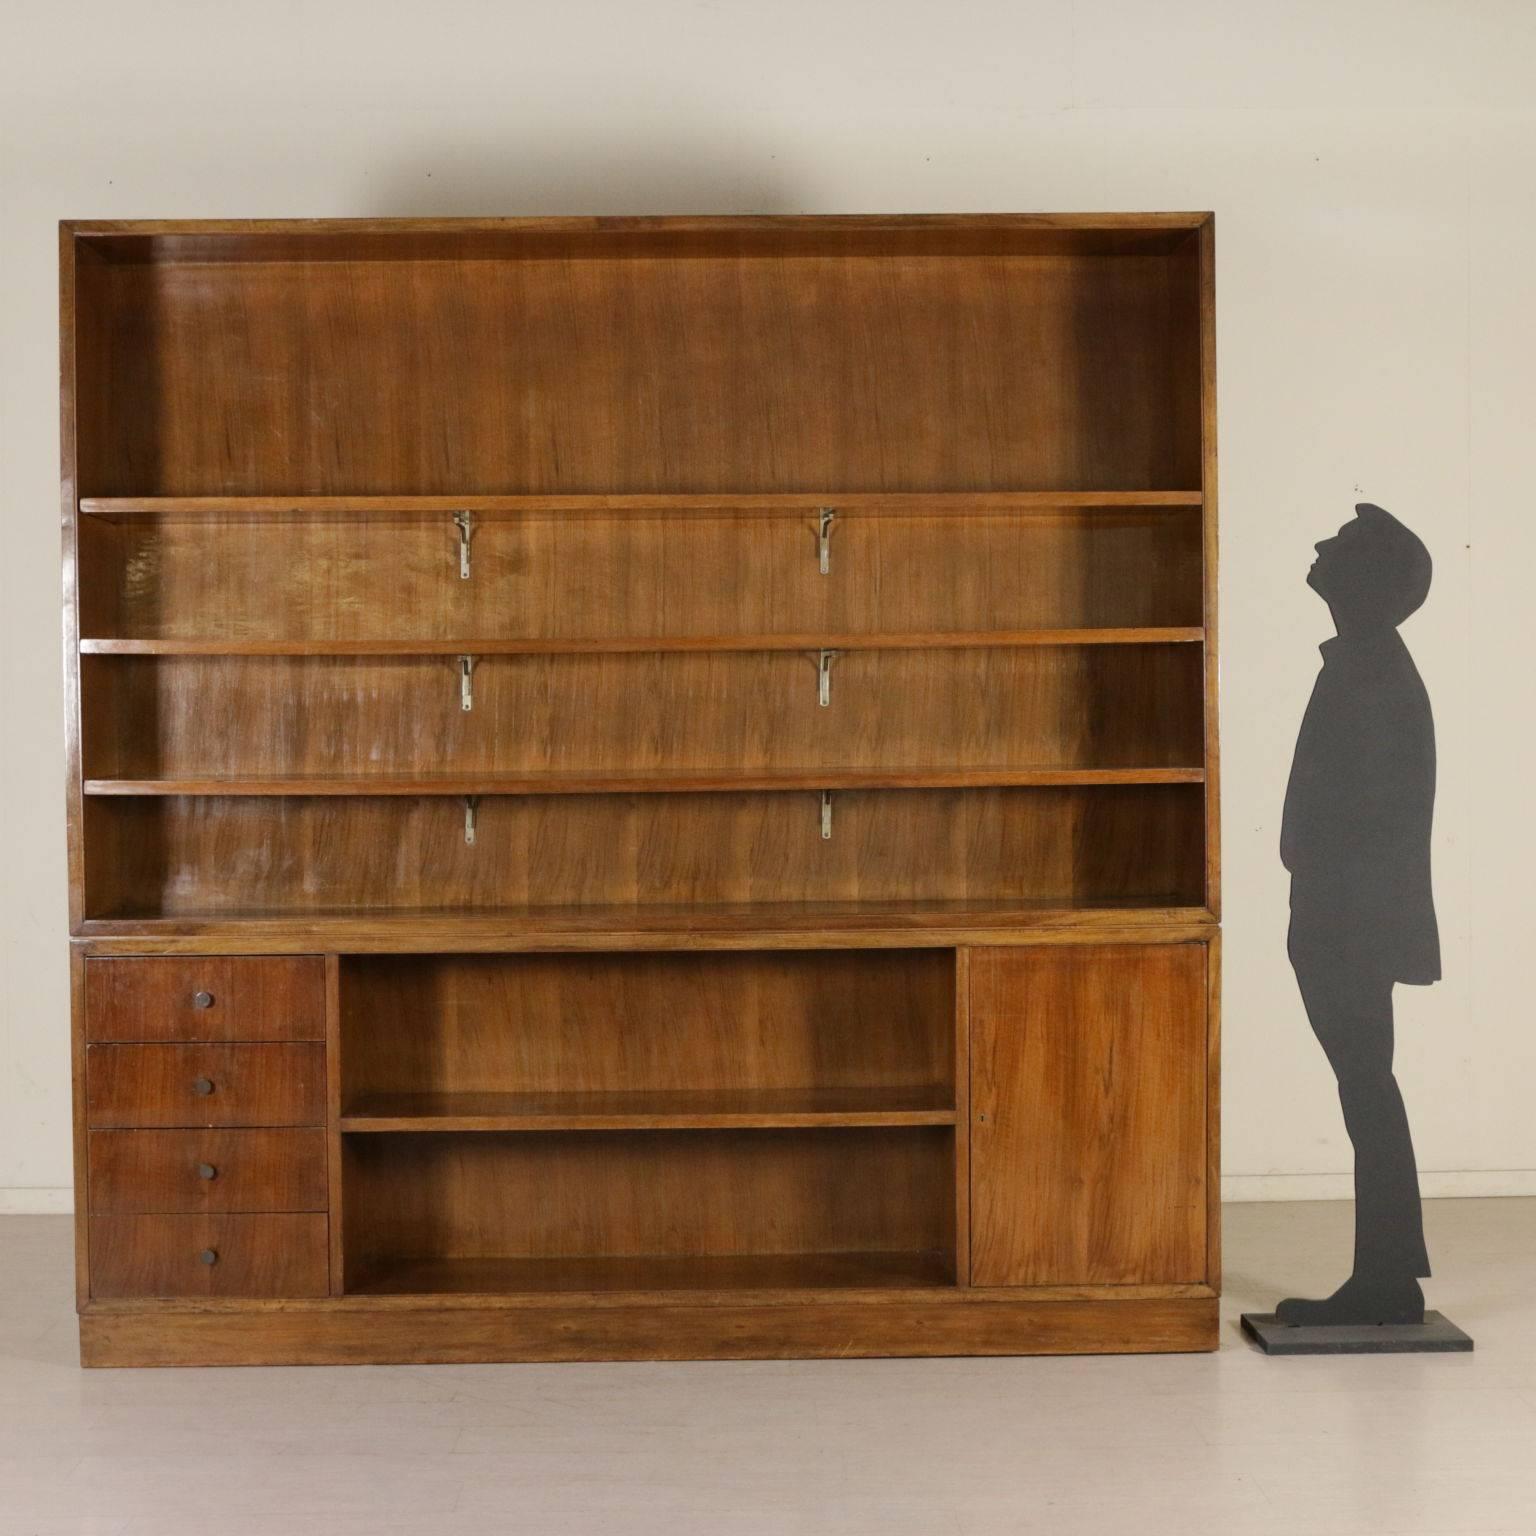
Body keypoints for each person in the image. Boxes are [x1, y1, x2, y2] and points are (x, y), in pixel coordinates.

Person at [1275, 502, 1439, 1326]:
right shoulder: (1366, 663)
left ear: (1366, 580)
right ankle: (1389, 1271)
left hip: (1350, 922)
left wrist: (1323, 907)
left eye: (1337, 546)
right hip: (1346, 918)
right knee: (1367, 1086)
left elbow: (1371, 818)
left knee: (1367, 1087)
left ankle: (1387, 1279)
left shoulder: (1371, 671)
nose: (1318, 548)